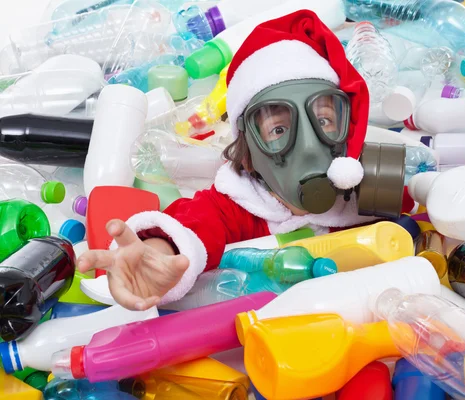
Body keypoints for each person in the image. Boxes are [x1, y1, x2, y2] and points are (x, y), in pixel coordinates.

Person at [77, 10, 415, 310]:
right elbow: (190, 225)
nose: (310, 145)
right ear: (247, 151)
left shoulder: (363, 198)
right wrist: (157, 254)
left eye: (324, 120)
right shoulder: (236, 207)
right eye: (279, 128)